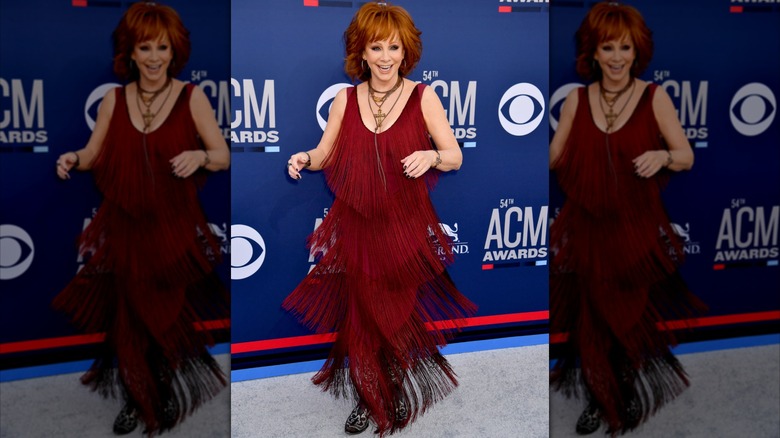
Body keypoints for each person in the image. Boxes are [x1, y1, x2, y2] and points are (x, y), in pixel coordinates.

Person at [284, 2, 477, 436]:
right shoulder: (344, 99)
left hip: (404, 228)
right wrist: (305, 157)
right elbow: (325, 153)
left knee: (394, 314)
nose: (387, 56)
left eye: (394, 46)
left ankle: (387, 380)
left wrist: (431, 154)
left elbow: (455, 156)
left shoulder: (424, 97)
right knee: (363, 315)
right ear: (362, 52)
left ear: (406, 51)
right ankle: (368, 395)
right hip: (357, 226)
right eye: (377, 46)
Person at [53, 2, 230, 435]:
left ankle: (164, 388)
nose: (153, 57)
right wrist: (74, 158)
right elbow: (94, 154)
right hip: (127, 229)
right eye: (144, 47)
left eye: (162, 47)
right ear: (130, 52)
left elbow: (222, 156)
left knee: (165, 317)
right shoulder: (115, 100)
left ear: (175, 52)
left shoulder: (193, 97)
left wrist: (200, 154)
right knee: (130, 318)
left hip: (173, 229)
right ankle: (136, 396)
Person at [548, 2, 706, 435]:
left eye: (625, 47)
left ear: (637, 52)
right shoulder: (577, 101)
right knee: (594, 319)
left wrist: (663, 154)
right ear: (593, 53)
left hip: (635, 231)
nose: (617, 57)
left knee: (629, 316)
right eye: (607, 47)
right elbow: (554, 156)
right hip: (589, 231)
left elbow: (687, 156)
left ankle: (626, 388)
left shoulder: (656, 97)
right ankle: (599, 398)